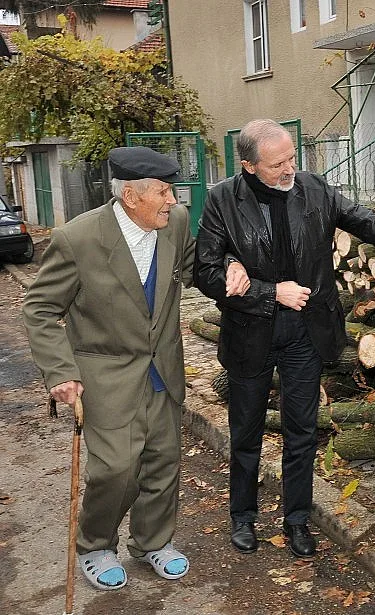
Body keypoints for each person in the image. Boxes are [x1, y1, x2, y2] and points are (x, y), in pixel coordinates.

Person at [194, 119, 375, 558]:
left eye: (292, 158)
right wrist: (268, 291)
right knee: (246, 430)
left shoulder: (313, 188)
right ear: (248, 166)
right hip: (251, 331)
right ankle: (242, 516)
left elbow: (371, 223)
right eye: (277, 164)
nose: (290, 169)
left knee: (301, 431)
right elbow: (204, 274)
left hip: (306, 330)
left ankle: (297, 521)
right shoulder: (221, 200)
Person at [23, 147, 249, 590]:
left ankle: (152, 542)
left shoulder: (176, 223)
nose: (173, 200)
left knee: (163, 462)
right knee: (115, 468)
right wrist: (59, 371)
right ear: (130, 195)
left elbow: (193, 266)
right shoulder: (78, 239)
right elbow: (40, 307)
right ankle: (95, 544)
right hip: (105, 375)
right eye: (164, 192)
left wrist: (229, 266)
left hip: (163, 367)